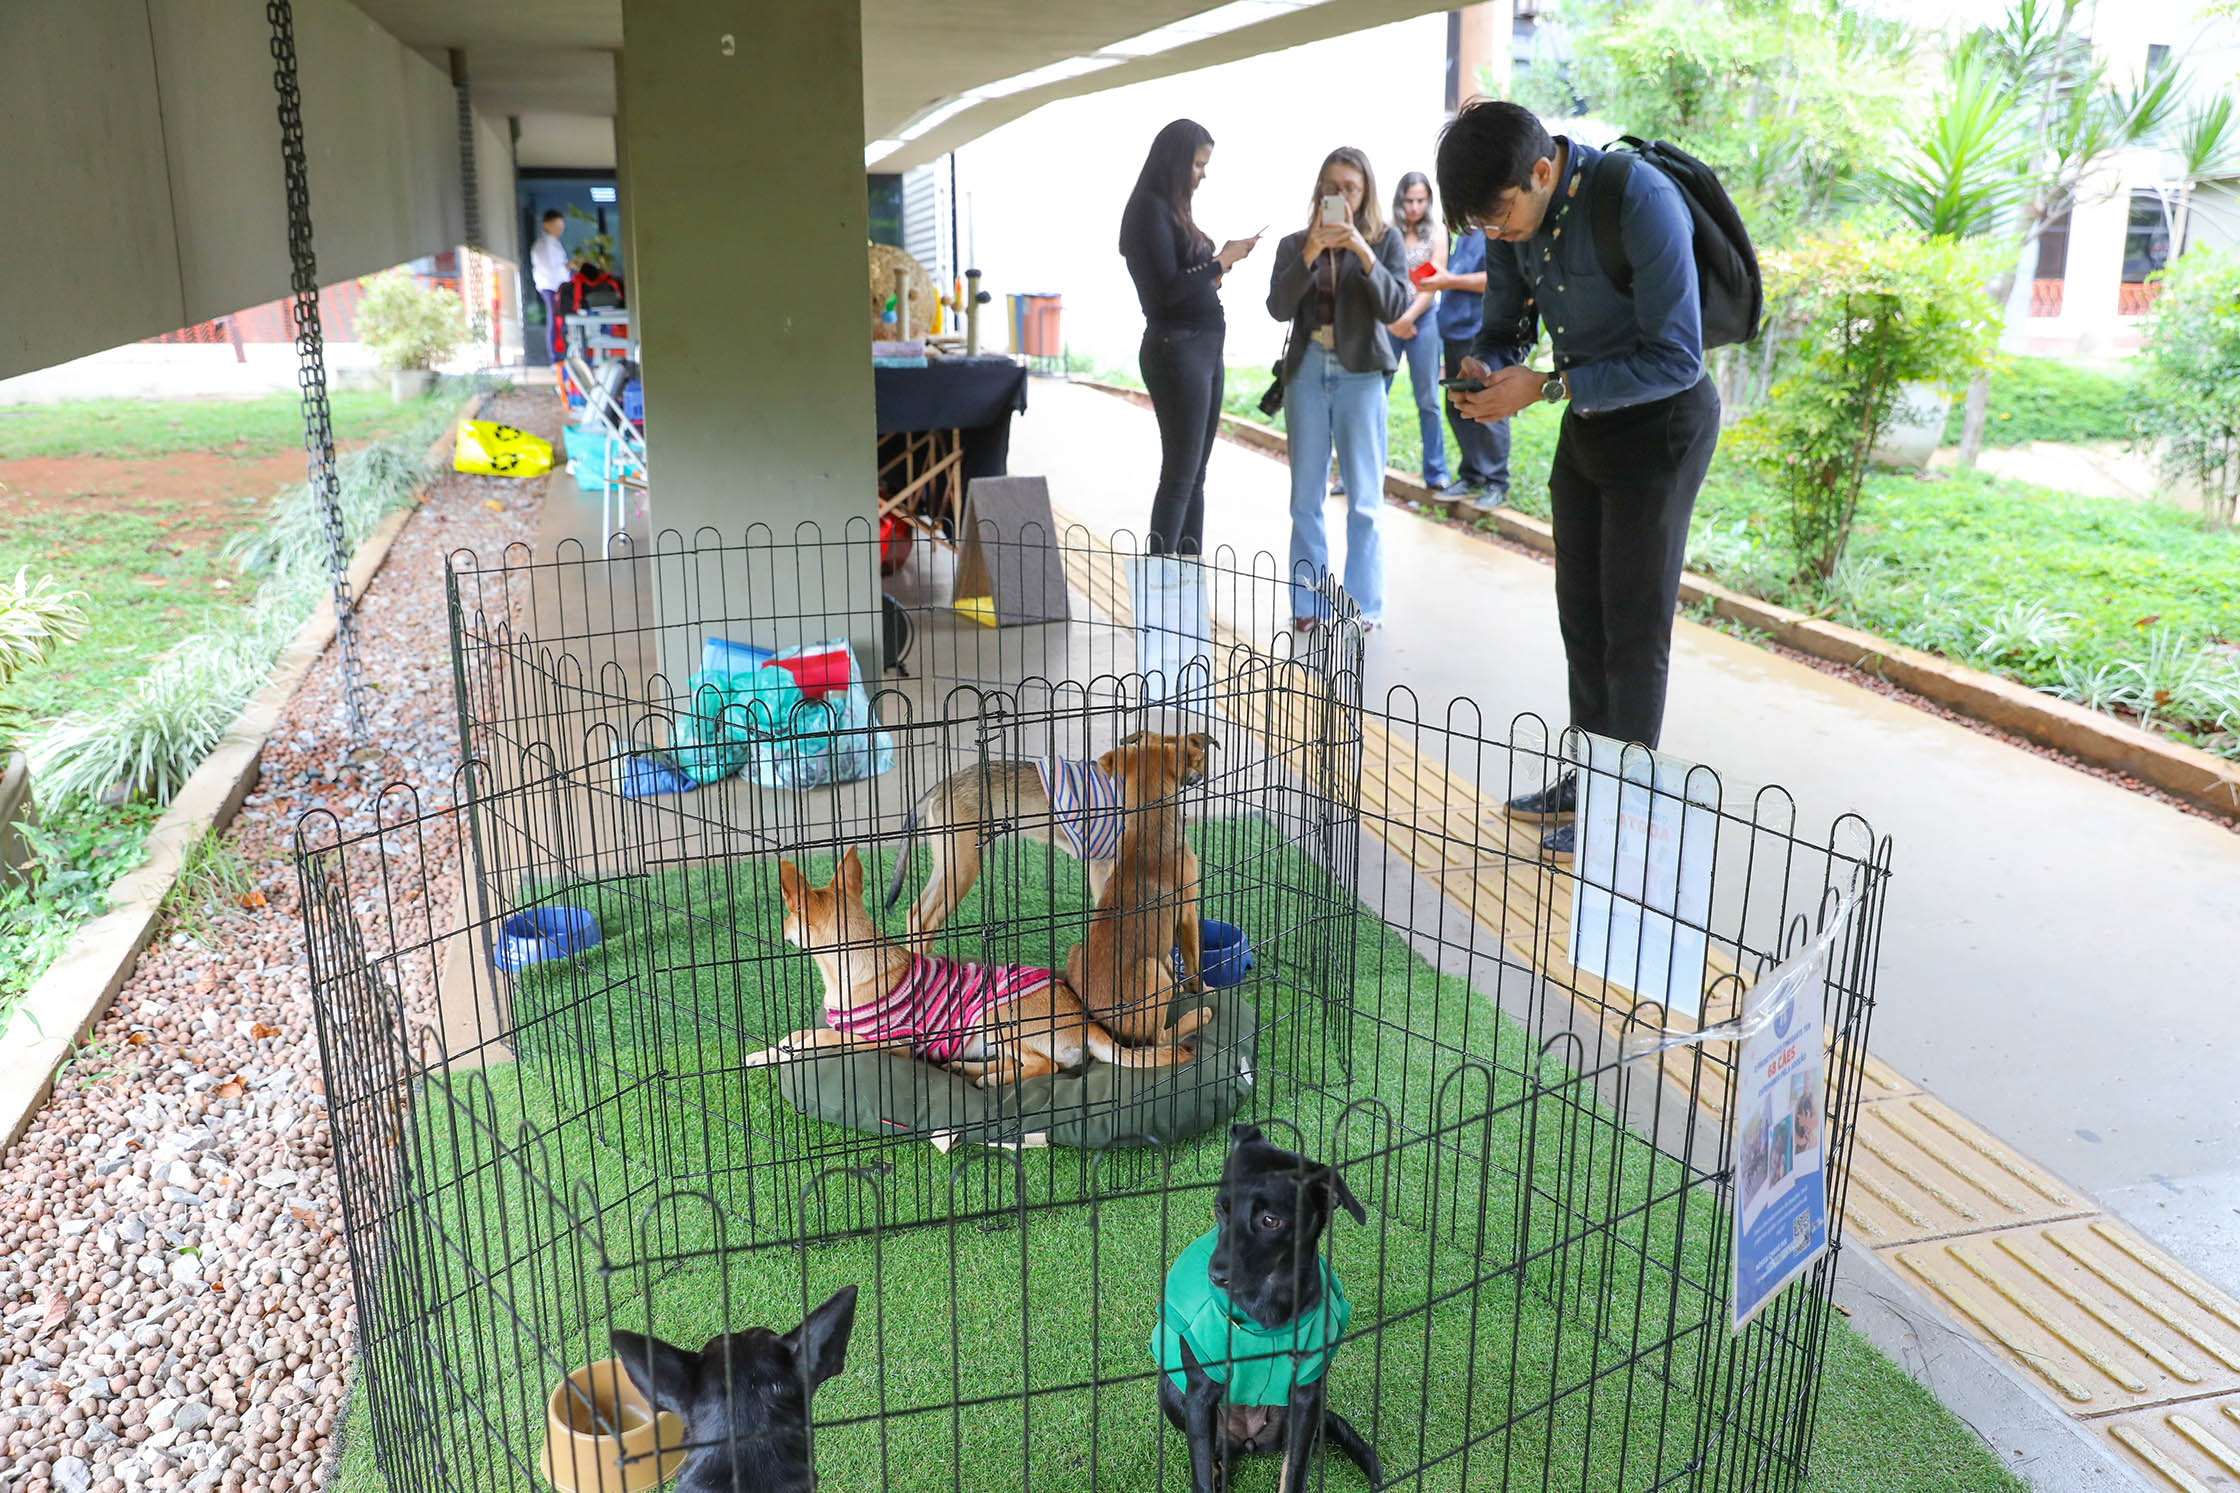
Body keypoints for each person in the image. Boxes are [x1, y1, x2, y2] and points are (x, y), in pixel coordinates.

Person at [1437, 100, 1718, 859]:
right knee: (1582, 619)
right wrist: (1486, 366)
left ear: (1541, 170)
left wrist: (1549, 386)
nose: (1497, 235)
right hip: (1590, 426)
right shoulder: (1509, 219)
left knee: (1633, 627)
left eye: (1500, 217)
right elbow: (1504, 327)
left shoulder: (1636, 197)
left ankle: (1623, 813)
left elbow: (1676, 357)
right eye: (1483, 226)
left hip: (1663, 425)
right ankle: (1593, 776)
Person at [1267, 148, 1413, 633]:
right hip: (1306, 372)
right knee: (1306, 498)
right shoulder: (1294, 244)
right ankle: (1309, 605)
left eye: (1350, 187)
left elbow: (1395, 308)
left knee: (1365, 501)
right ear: (1319, 190)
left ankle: (1364, 606)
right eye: (1331, 186)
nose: (1340, 195)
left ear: (1366, 192)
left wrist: (1361, 251)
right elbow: (1278, 307)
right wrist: (1311, 251)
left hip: (1361, 375)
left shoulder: (1385, 242)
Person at [1120, 120, 1261, 556]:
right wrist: (1221, 261)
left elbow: (1183, 284)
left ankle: (1185, 581)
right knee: (1180, 476)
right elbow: (1165, 290)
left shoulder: (1171, 208)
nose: (1203, 174)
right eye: (1199, 164)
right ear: (1176, 162)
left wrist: (1215, 273)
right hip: (1176, 349)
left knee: (1195, 474)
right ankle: (1163, 594)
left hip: (1200, 346)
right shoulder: (1148, 209)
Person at [1420, 225, 1509, 512]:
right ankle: (1471, 474)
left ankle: (1496, 481)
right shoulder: (1461, 233)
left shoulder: (1495, 231)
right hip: (1454, 331)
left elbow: (1496, 280)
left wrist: (1450, 281)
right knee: (1459, 406)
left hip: (1481, 332)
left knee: (1489, 404)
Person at [1384, 172, 1451, 494]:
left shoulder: (1437, 233)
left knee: (1428, 400)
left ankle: (1436, 471)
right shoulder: (1387, 232)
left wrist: (1408, 317)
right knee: (1373, 396)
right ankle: (1361, 469)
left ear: (1428, 201)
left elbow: (1432, 283)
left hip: (1423, 319)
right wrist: (1392, 320)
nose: (1413, 207)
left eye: (1420, 200)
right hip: (1387, 319)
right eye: (1408, 200)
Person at [530, 210, 570, 363]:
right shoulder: (544, 244)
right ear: (546, 224)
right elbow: (550, 268)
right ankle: (555, 357)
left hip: (556, 285)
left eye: (561, 226)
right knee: (554, 320)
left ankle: (559, 354)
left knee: (557, 320)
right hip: (550, 286)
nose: (560, 229)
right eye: (557, 225)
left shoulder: (553, 242)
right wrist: (567, 266)